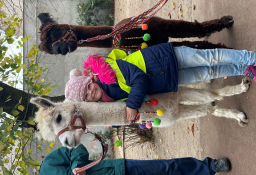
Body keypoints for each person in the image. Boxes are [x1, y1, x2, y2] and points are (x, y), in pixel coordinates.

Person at [65, 43, 256, 121]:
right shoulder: (110, 100)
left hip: (166, 58)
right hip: (168, 80)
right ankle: (243, 69)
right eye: (86, 95)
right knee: (209, 72)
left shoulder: (108, 71)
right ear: (89, 102)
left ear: (90, 79)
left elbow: (139, 78)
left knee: (210, 57)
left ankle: (250, 58)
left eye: (88, 86)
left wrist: (132, 104)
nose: (90, 91)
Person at [39, 144, 231, 175]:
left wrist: (76, 166)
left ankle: (209, 167)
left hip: (118, 170)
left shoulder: (48, 165)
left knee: (166, 168)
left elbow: (76, 149)